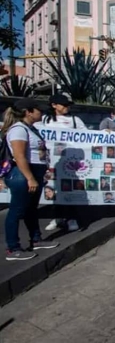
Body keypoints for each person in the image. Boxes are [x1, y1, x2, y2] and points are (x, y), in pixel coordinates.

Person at [2, 98, 59, 261]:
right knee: (17, 211)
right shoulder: (18, 129)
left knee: (31, 209)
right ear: (28, 112)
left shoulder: (31, 128)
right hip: (23, 174)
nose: (41, 112)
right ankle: (13, 248)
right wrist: (30, 178)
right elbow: (19, 156)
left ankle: (36, 239)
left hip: (34, 172)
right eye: (38, 110)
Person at [39, 93, 86, 232]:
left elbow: (88, 136)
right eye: (64, 105)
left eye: (68, 105)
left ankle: (72, 218)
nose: (67, 107)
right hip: (52, 163)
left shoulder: (75, 120)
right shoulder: (45, 120)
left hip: (70, 163)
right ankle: (57, 218)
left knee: (69, 189)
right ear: (54, 105)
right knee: (53, 190)